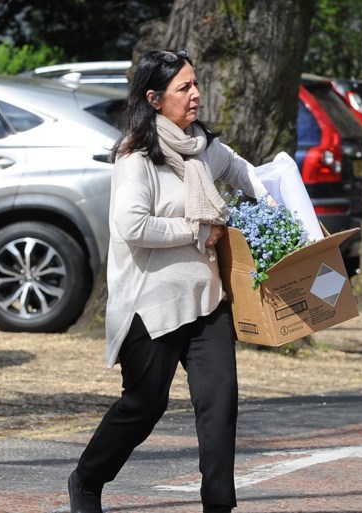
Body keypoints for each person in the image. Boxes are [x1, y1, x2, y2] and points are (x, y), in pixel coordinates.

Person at [67, 49, 272, 513]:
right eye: (184, 88)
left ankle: (219, 506)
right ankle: (87, 479)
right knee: (143, 406)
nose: (196, 94)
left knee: (220, 406)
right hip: (150, 305)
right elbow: (133, 227)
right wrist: (195, 230)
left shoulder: (204, 148)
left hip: (205, 300)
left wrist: (282, 205)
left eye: (196, 84)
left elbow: (246, 175)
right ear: (155, 98)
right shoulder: (136, 157)